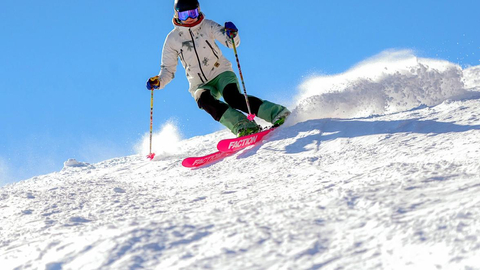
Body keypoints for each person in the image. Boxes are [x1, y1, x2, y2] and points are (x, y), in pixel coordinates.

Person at [146, 0, 290, 137]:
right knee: (204, 101)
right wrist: (159, 81)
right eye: (185, 15)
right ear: (177, 15)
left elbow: (230, 42)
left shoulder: (208, 26)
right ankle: (244, 126)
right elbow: (168, 69)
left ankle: (277, 113)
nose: (190, 18)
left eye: (193, 13)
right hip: (199, 83)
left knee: (233, 98)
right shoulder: (172, 39)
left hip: (221, 72)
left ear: (199, 10)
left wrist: (232, 34)